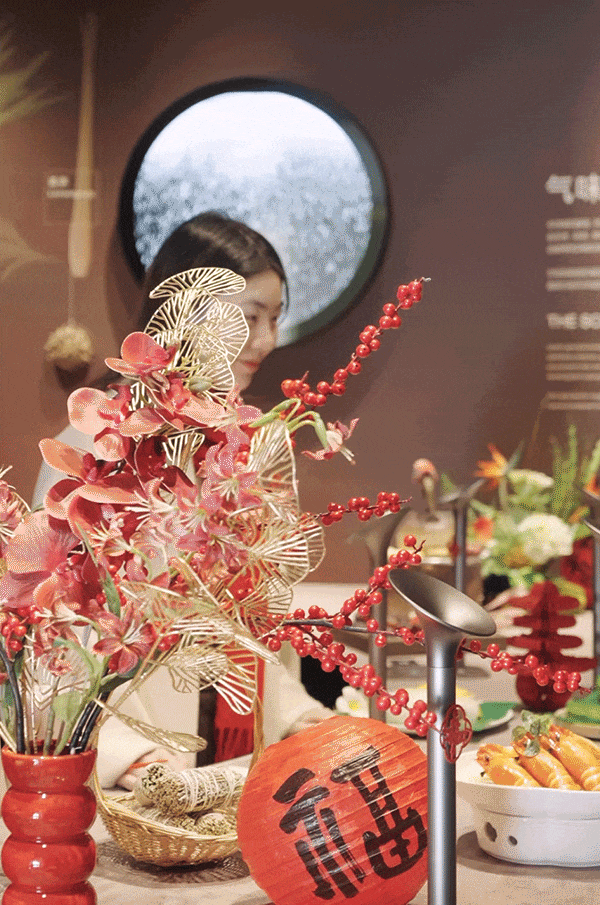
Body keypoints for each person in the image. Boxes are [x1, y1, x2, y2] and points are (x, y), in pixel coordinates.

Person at [32, 212, 332, 787]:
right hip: (127, 761)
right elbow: (56, 613)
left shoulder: (246, 444)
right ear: (187, 311)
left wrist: (293, 714)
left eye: (275, 318)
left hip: (230, 754)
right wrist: (123, 754)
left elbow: (248, 610)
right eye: (250, 317)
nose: (267, 340)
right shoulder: (100, 441)